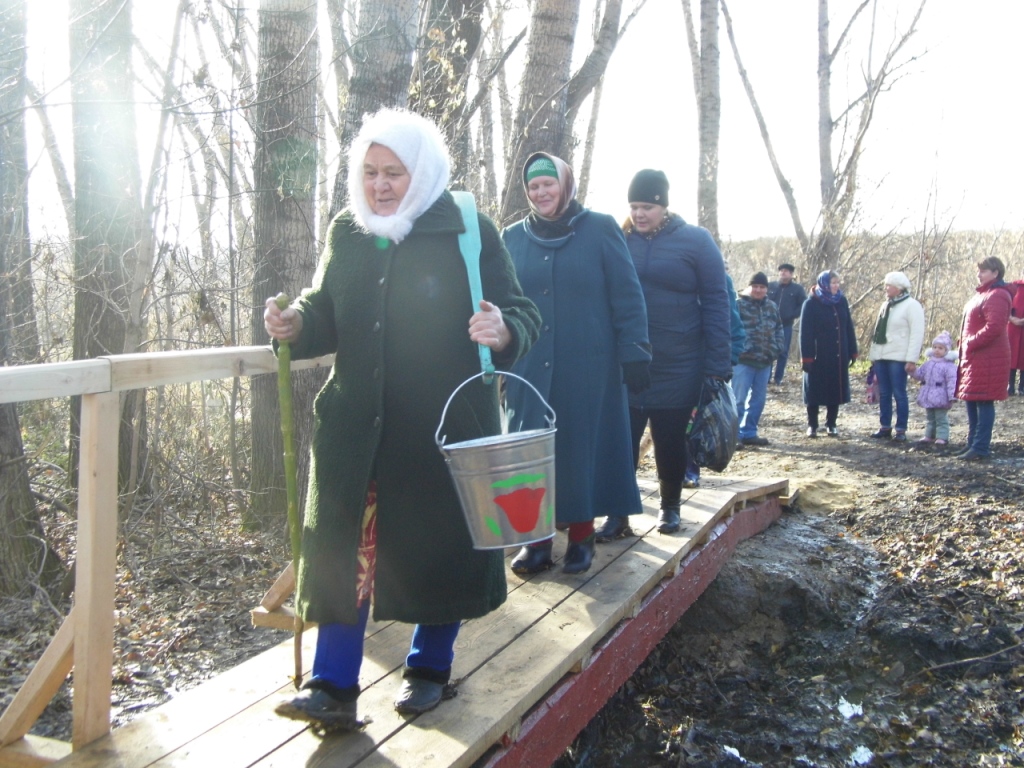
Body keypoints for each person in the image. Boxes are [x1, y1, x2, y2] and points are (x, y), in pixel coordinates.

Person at [264, 108, 541, 728]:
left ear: (421, 173)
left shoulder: (467, 228)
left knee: (435, 546)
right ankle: (333, 686)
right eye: (370, 172)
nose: (381, 185)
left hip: (442, 425)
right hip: (356, 430)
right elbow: (325, 309)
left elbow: (523, 311)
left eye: (394, 172)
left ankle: (429, 670)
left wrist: (503, 331)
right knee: (346, 549)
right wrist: (296, 325)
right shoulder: (349, 231)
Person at [502, 152, 651, 575]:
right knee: (530, 453)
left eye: (548, 183)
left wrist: (636, 351)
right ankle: (536, 543)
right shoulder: (511, 238)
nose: (541, 192)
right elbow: (499, 302)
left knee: (579, 450)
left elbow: (627, 294)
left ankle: (582, 538)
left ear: (564, 184)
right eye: (533, 186)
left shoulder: (600, 229)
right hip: (528, 368)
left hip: (587, 364)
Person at [602, 169, 731, 537]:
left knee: (670, 437)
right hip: (627, 359)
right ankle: (618, 512)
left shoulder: (695, 241)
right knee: (622, 437)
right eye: (634, 206)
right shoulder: (618, 238)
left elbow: (717, 302)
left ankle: (670, 506)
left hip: (679, 360)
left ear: (663, 205)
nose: (640, 214)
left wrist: (717, 364)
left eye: (647, 206)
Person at [684, 270, 744, 487]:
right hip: (673, 358)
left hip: (706, 364)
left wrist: (728, 359)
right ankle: (674, 470)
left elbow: (733, 323)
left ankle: (690, 469)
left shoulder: (720, 279)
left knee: (695, 420)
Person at [956, 257, 1014, 461]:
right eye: (978, 271)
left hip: (988, 357)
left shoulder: (997, 295)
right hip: (975, 357)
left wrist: (969, 342)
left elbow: (995, 327)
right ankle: (972, 444)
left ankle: (980, 447)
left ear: (995, 272)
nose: (979, 274)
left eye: (983, 271)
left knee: (983, 401)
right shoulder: (982, 294)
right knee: (972, 400)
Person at [867, 271, 926, 443]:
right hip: (882, 356)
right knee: (884, 393)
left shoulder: (912, 305)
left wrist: (911, 359)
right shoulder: (886, 305)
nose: (885, 288)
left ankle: (901, 429)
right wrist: (874, 355)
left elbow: (916, 334)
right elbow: (878, 330)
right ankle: (885, 426)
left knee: (899, 393)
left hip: (899, 357)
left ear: (899, 288)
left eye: (889, 285)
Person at [799, 271, 858, 437]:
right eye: (833, 283)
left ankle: (831, 423)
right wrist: (807, 357)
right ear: (824, 284)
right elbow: (805, 333)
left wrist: (853, 351)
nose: (836, 286)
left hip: (838, 354)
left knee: (834, 390)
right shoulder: (811, 303)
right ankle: (812, 425)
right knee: (814, 390)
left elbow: (848, 327)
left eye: (837, 283)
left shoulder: (841, 300)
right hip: (818, 355)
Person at [733, 272, 785, 447]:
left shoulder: (771, 307)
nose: (758, 290)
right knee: (738, 400)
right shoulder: (738, 306)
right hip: (743, 361)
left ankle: (749, 432)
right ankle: (734, 436)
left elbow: (779, 329)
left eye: (762, 287)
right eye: (755, 286)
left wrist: (776, 349)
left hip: (765, 362)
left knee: (758, 400)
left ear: (766, 289)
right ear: (749, 287)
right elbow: (730, 330)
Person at [912, 331, 957, 447]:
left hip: (941, 395)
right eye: (935, 347)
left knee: (941, 417)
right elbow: (920, 375)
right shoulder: (928, 363)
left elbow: (952, 382)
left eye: (940, 348)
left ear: (946, 350)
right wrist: (912, 371)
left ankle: (942, 436)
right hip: (928, 395)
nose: (937, 350)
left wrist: (952, 395)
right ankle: (929, 435)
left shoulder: (949, 366)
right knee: (930, 417)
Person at [768, 263, 807, 384]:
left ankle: (778, 378)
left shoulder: (797, 289)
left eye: (786, 271)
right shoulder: (771, 286)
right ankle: (766, 378)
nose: (783, 273)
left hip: (786, 325)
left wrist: (792, 314)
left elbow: (803, 305)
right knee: (768, 350)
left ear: (791, 274)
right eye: (781, 270)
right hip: (769, 324)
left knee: (783, 352)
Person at [1007, 275, 1024, 394]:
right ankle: (1010, 386)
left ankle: (1022, 387)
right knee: (1011, 356)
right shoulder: (1013, 287)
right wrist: (1011, 318)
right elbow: (1005, 305)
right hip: (1012, 328)